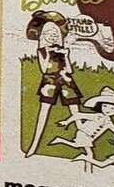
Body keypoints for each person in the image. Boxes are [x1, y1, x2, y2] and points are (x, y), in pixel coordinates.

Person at [24, 9, 82, 157]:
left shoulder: (62, 50)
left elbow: (69, 70)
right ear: (43, 35)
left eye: (55, 34)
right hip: (49, 82)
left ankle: (86, 143)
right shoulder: (42, 50)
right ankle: (34, 145)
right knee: (44, 111)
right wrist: (50, 54)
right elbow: (44, 69)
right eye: (48, 34)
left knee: (76, 112)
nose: (52, 36)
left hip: (66, 81)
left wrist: (66, 56)